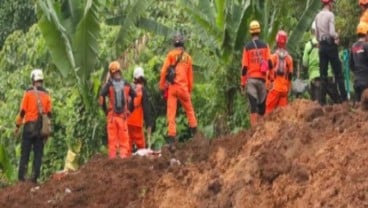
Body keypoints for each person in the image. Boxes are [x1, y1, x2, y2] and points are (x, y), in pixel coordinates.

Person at [159, 32, 197, 148]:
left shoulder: (170, 55)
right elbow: (190, 77)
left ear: (174, 44)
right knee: (189, 111)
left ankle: (171, 140)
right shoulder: (188, 58)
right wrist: (189, 90)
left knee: (171, 113)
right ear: (183, 43)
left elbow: (163, 71)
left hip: (173, 88)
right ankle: (195, 135)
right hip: (183, 88)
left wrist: (162, 86)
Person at [15, 69, 52, 183]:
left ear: (33, 80)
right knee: (38, 154)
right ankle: (34, 178)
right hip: (40, 129)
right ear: (41, 80)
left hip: (28, 127)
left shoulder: (28, 93)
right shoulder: (47, 95)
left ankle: (22, 177)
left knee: (25, 153)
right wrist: (47, 132)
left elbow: (22, 111)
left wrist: (17, 125)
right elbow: (49, 114)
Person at [99, 61, 136, 159]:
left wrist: (105, 111)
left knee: (112, 141)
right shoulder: (126, 84)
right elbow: (135, 96)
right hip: (123, 117)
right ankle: (123, 160)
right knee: (124, 142)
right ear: (120, 70)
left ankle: (112, 161)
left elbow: (101, 97)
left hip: (112, 117)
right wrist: (130, 110)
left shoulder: (108, 84)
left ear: (110, 72)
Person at [314, 0, 348, 105]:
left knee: (323, 75)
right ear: (329, 4)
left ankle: (321, 102)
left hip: (322, 47)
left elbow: (317, 35)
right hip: (330, 45)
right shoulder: (330, 15)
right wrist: (337, 37)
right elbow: (332, 33)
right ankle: (345, 100)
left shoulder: (317, 16)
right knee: (338, 73)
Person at [241, 20, 272, 126]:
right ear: (259, 31)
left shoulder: (247, 47)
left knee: (253, 105)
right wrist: (271, 78)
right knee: (262, 106)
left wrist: (243, 83)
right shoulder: (265, 45)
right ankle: (262, 128)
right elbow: (270, 63)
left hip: (251, 80)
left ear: (250, 32)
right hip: (262, 80)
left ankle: (254, 128)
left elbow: (244, 67)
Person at [302, 21, 340, 104]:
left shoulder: (308, 45)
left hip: (316, 79)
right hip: (328, 76)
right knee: (339, 103)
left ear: (313, 31)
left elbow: (305, 63)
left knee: (317, 107)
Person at [265, 30, 293, 114]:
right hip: (284, 89)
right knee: (283, 114)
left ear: (277, 41)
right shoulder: (289, 58)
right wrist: (288, 87)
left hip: (275, 88)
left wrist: (268, 83)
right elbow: (290, 74)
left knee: (268, 111)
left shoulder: (273, 57)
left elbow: (266, 70)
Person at [127, 66, 154, 152]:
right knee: (141, 146)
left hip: (127, 121)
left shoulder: (128, 87)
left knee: (128, 145)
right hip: (137, 123)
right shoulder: (142, 90)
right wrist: (149, 123)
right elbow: (146, 109)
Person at [350, 22, 368, 105]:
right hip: (366, 82)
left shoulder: (353, 46)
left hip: (357, 81)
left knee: (358, 106)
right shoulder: (366, 46)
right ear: (366, 33)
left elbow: (351, 65)